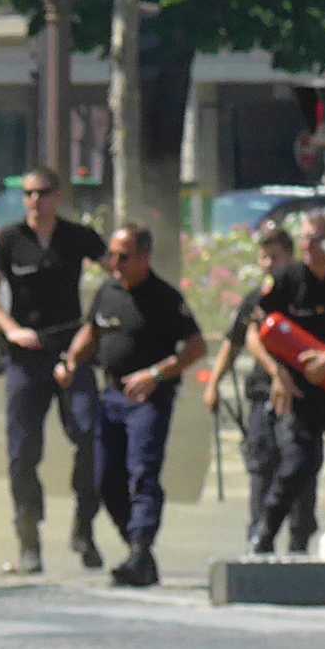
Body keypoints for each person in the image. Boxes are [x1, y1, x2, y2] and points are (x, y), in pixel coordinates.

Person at [0, 168, 108, 573]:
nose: (35, 201)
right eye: (29, 194)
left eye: (43, 193)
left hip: (71, 350)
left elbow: (117, 276)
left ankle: (84, 528)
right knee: (22, 452)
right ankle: (29, 540)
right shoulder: (10, 240)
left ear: (58, 196)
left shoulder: (78, 237)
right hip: (26, 356)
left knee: (90, 436)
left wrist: (96, 325)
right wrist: (12, 330)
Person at [63, 225, 203, 587]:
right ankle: (137, 550)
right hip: (110, 396)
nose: (115, 263)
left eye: (124, 256)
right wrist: (71, 361)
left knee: (142, 473)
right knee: (105, 478)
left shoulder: (164, 298)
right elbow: (91, 331)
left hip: (148, 399)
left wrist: (155, 374)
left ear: (144, 257)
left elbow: (196, 347)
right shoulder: (107, 292)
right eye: (112, 254)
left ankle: (140, 550)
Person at [204, 225, 299, 554]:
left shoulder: (300, 295)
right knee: (261, 465)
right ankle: (258, 533)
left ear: (290, 258)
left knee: (296, 465)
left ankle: (299, 536)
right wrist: (214, 384)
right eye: (264, 257)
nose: (269, 264)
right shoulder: (255, 299)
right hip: (262, 394)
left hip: (298, 397)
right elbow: (233, 345)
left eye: (276, 257)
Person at [258, 210, 325, 552]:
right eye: (306, 238)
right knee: (297, 462)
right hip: (299, 391)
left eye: (317, 238)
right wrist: (277, 372)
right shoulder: (287, 280)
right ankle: (265, 534)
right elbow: (257, 329)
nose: (309, 245)